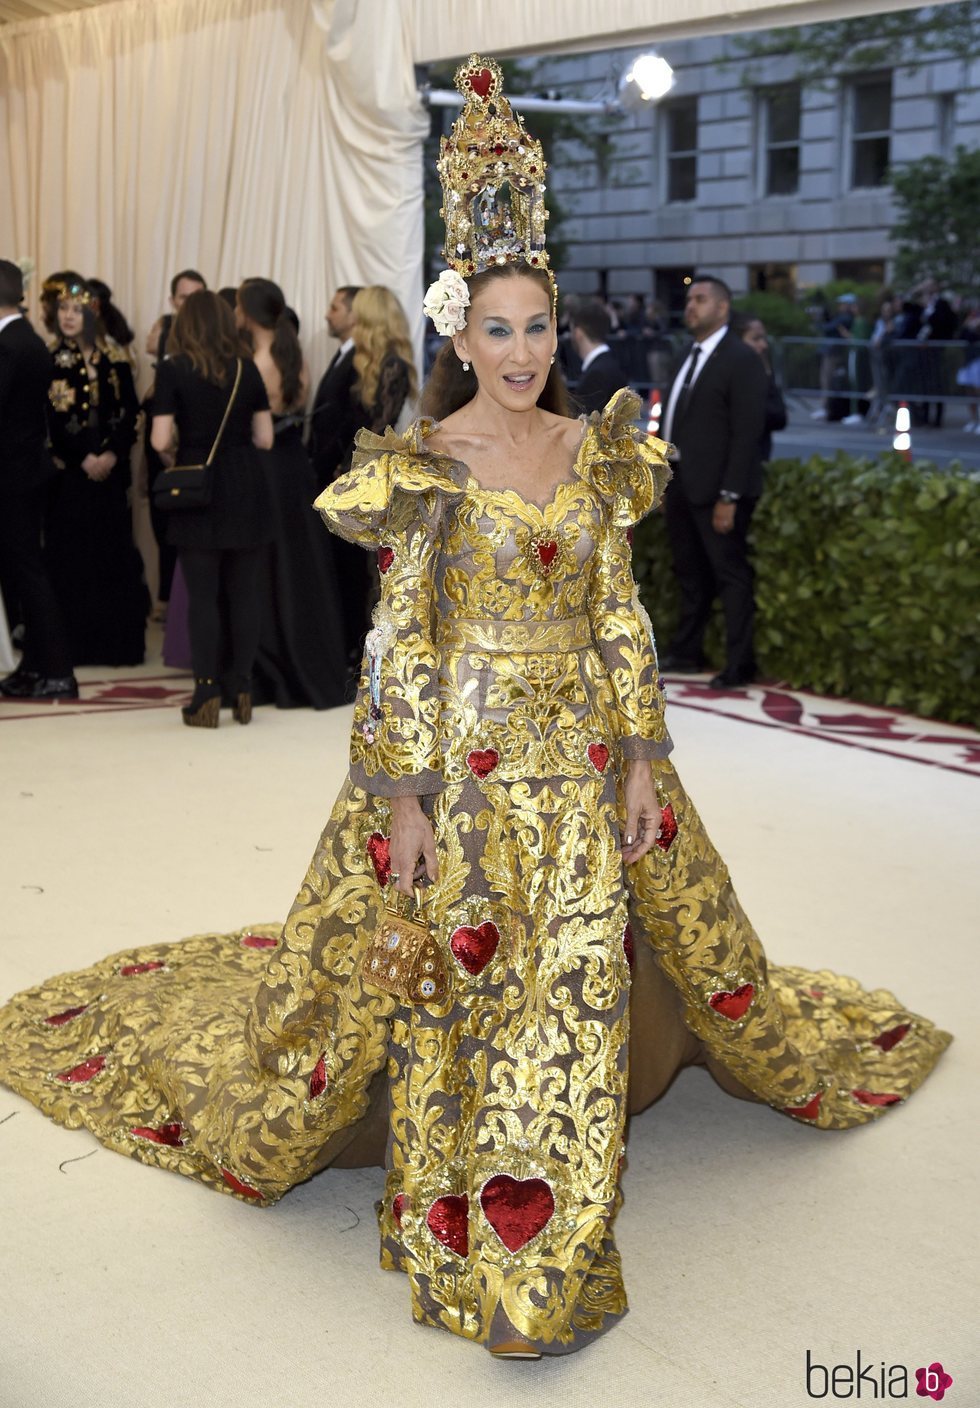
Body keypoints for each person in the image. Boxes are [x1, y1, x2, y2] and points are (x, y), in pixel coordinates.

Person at [0, 57, 951, 1362]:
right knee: (457, 985)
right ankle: (473, 1221)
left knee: (573, 989)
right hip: (462, 762)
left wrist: (636, 760)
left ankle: (552, 1242)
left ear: (561, 330)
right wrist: (401, 800)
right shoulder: (426, 465)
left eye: (538, 328)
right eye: (495, 331)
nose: (520, 353)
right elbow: (400, 643)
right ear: (459, 339)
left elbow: (617, 611)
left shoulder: (596, 449)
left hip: (585, 765)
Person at [150, 289, 273, 726]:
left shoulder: (172, 369)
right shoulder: (247, 369)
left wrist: (180, 454)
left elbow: (160, 440)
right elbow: (265, 439)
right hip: (246, 485)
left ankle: (205, 693)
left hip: (198, 487)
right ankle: (241, 686)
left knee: (202, 596)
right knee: (244, 593)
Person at [235, 277, 347, 709]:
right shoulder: (292, 354)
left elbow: (252, 428)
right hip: (292, 465)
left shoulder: (255, 361)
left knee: (268, 565)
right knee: (298, 564)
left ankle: (273, 667)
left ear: (245, 311)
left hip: (264, 465)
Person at [659, 274, 769, 689]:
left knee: (731, 575)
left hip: (720, 487)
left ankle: (740, 663)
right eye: (689, 299)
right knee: (690, 572)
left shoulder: (740, 359)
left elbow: (747, 433)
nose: (691, 306)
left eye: (700, 299)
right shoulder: (687, 355)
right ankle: (688, 652)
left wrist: (730, 495)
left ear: (722, 307)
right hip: (684, 482)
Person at [43, 276, 148, 667]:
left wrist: (109, 455)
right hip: (70, 476)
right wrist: (82, 458)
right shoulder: (51, 358)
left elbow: (129, 414)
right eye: (63, 310)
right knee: (70, 555)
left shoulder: (115, 359)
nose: (68, 317)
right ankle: (72, 645)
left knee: (110, 554)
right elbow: (53, 419)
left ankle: (114, 645)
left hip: (109, 475)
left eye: (76, 310)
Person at [0, 259, 77, 700]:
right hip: (25, 471)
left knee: (28, 572)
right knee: (21, 573)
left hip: (14, 477)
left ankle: (57, 671)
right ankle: (34, 667)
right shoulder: (23, 339)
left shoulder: (12, 345)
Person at [331, 284, 417, 673]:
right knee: (349, 573)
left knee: (370, 573)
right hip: (351, 480)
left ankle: (367, 656)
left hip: (373, 485)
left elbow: (378, 429)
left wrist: (349, 474)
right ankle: (352, 649)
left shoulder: (392, 366)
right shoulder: (365, 364)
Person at [142, 271, 208, 617]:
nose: (191, 304)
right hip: (165, 443)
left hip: (197, 448)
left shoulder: (217, 335)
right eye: (184, 297)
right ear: (173, 302)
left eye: (198, 295)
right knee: (164, 524)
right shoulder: (166, 330)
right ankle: (167, 598)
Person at [309, 284, 362, 492]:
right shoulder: (344, 354)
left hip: (338, 474)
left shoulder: (358, 359)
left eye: (334, 308)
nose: (326, 315)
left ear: (353, 316)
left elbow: (353, 419)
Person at [732, 312, 787, 461]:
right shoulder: (730, 378)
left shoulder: (763, 369)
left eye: (763, 338)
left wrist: (767, 377)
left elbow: (779, 417)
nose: (763, 345)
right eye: (755, 339)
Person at [567, 297, 626, 413]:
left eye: (571, 331)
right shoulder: (611, 364)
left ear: (578, 333)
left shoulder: (596, 374)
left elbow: (586, 426)